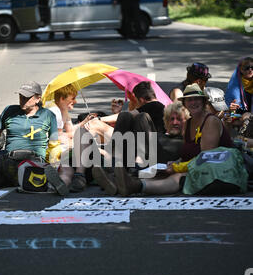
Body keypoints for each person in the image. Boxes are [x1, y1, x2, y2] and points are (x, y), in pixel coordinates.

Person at [96, 83, 234, 197]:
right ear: (185, 103)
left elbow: (206, 157)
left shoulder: (209, 121)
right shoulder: (190, 124)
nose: (193, 102)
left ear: (204, 102)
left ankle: (127, 180)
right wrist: (176, 163)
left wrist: (177, 166)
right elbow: (188, 155)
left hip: (216, 170)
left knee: (175, 177)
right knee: (128, 118)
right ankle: (117, 179)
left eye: (197, 99)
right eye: (189, 99)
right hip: (186, 165)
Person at [0, 81, 68, 193]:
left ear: (37, 99)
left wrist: (53, 166)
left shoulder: (48, 115)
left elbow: (54, 144)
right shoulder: (9, 111)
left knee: (28, 170)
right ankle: (31, 183)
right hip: (10, 159)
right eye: (21, 96)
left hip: (34, 161)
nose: (22, 99)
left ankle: (39, 181)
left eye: (26, 97)